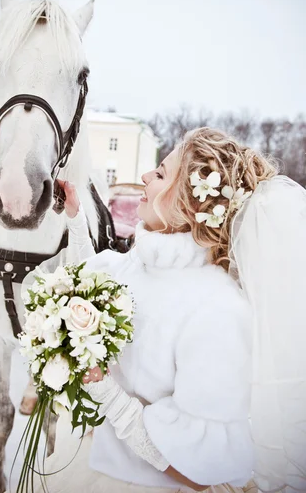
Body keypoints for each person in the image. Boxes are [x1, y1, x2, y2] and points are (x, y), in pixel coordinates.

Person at [37, 127, 306, 493]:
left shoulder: (219, 311)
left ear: (191, 204)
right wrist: (75, 218)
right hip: (81, 464)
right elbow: (95, 285)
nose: (145, 177)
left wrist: (110, 398)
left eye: (161, 173)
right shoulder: (142, 262)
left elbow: (199, 470)